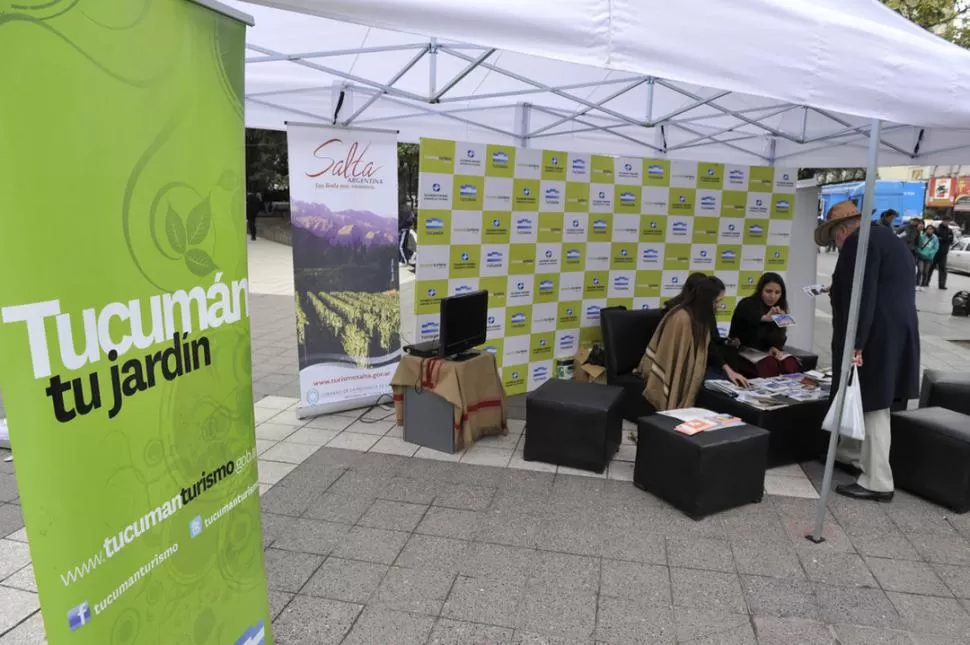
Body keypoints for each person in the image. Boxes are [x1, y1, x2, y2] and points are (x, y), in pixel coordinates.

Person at [814, 200, 920, 502]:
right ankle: (850, 454)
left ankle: (877, 479)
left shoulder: (857, 243)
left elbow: (863, 295)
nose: (836, 245)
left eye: (834, 238)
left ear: (842, 230)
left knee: (874, 404)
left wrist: (856, 343)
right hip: (895, 331)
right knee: (867, 397)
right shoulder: (887, 237)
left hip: (875, 333)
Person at [636, 277, 748, 411]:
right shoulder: (681, 317)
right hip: (677, 368)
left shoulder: (702, 317)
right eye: (717, 301)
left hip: (697, 367)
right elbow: (673, 357)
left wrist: (729, 370)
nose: (718, 305)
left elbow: (709, 347)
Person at [729, 272, 800, 377]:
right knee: (769, 364)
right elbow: (750, 336)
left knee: (789, 362)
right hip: (744, 350)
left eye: (777, 292)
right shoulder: (747, 304)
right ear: (760, 290)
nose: (772, 296)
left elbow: (780, 340)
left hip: (767, 352)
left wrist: (775, 347)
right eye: (768, 291)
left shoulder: (780, 308)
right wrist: (766, 319)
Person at [929, 214, 955, 290]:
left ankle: (942, 285)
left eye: (948, 221)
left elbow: (951, 240)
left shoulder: (950, 230)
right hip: (935, 252)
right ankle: (926, 282)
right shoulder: (937, 229)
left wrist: (944, 239)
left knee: (943, 269)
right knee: (930, 267)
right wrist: (943, 239)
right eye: (946, 221)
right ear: (943, 221)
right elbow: (935, 239)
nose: (947, 222)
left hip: (944, 253)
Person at [915, 224, 939, 291]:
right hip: (921, 256)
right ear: (926, 229)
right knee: (920, 270)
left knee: (925, 272)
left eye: (931, 229)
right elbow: (918, 245)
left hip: (929, 258)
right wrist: (920, 252)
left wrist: (929, 253)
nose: (929, 230)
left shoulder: (935, 238)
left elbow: (935, 248)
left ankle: (923, 285)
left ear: (933, 230)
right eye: (928, 228)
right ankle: (917, 284)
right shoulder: (922, 236)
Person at [398, 198, 415, 264]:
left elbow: (403, 221)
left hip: (403, 229)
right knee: (404, 245)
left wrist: (398, 228)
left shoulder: (402, 210)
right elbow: (411, 220)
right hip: (406, 229)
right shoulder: (408, 209)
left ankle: (404, 261)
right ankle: (405, 259)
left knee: (401, 246)